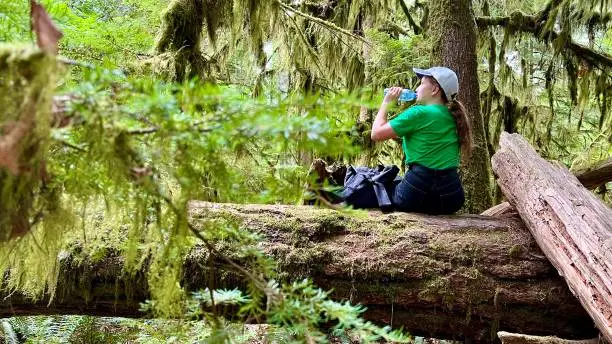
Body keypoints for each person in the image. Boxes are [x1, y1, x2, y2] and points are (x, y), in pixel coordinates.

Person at [370, 66, 472, 214]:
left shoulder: (418, 113)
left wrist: (386, 103)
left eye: (422, 83)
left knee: (378, 184)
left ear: (435, 90)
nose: (417, 88)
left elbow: (376, 133)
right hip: (452, 198)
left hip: (415, 194)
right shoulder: (455, 117)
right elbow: (423, 138)